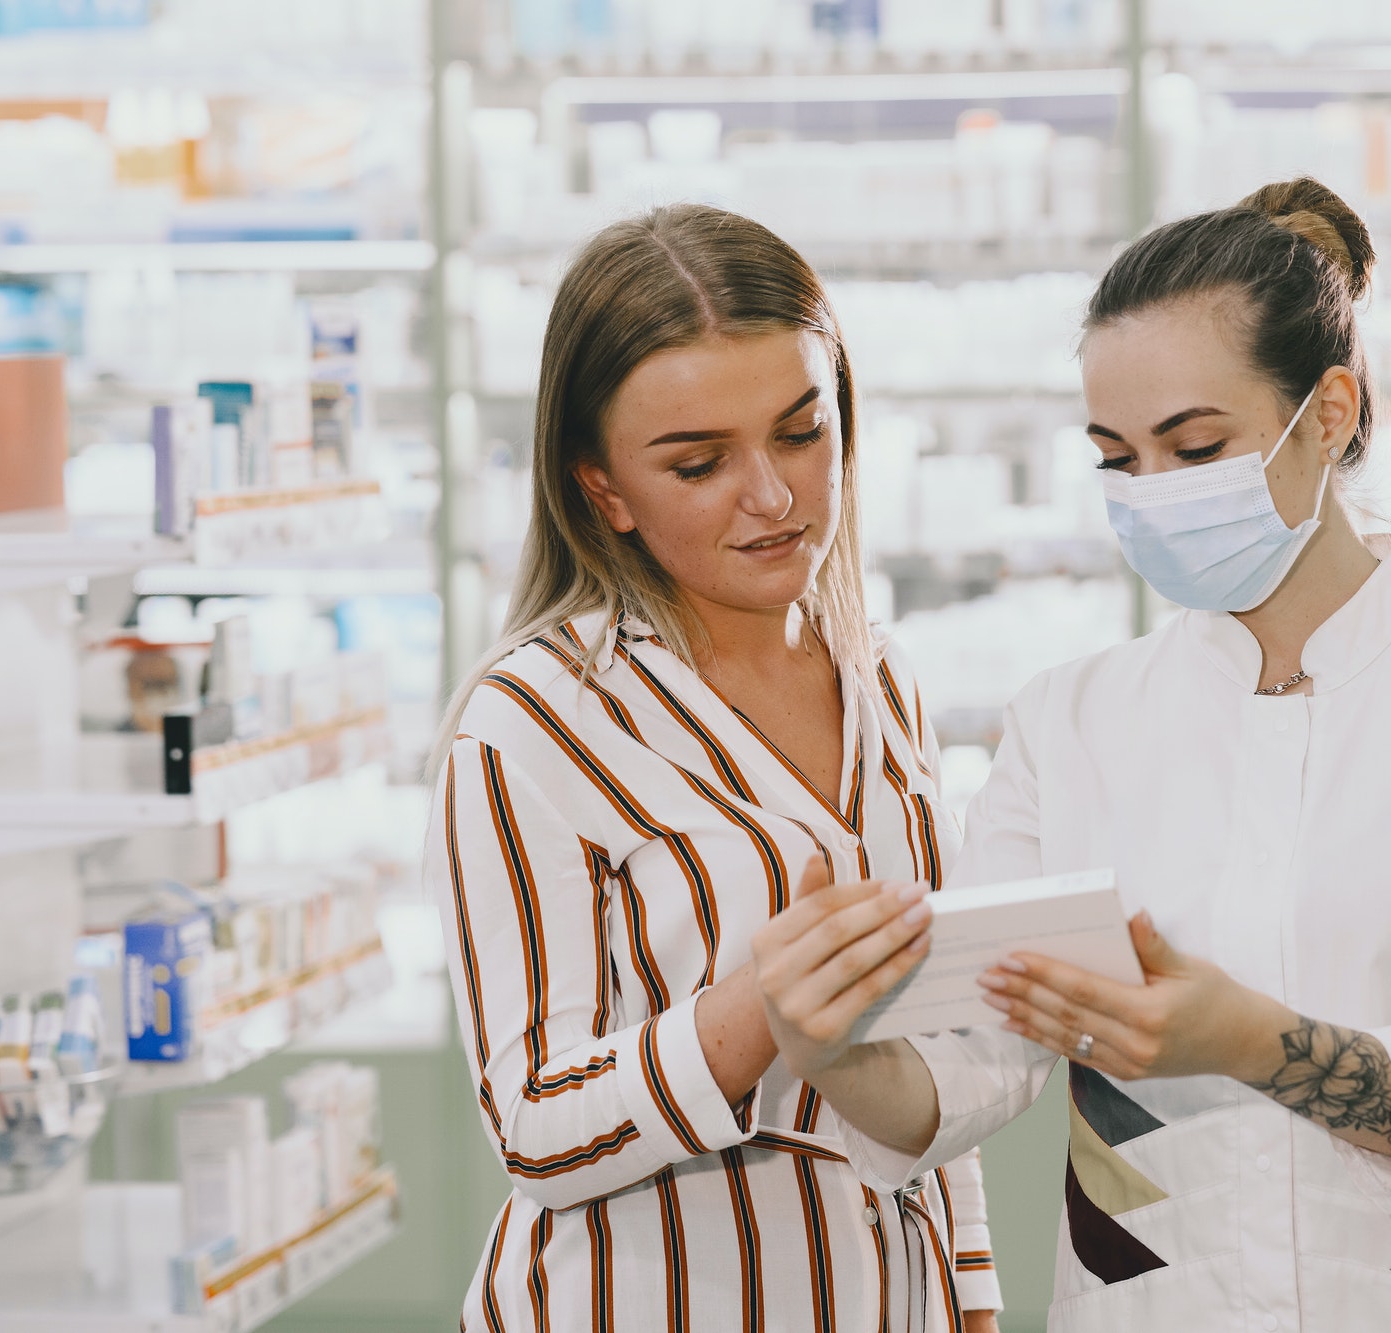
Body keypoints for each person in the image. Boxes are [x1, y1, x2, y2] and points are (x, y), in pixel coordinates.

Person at [749, 177, 1391, 1331]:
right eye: (1116, 459)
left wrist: (1244, 1041)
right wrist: (829, 1047)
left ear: (1326, 413)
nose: (1152, 497)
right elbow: (975, 1058)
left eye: (1194, 446)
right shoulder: (1072, 722)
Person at [426, 205, 1002, 1332]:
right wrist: (758, 1013)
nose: (774, 496)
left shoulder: (879, 675)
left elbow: (931, 1057)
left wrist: (967, 1295)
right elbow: (534, 1122)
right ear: (603, 490)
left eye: (802, 432)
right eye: (698, 463)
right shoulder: (530, 724)